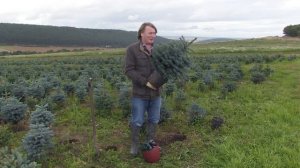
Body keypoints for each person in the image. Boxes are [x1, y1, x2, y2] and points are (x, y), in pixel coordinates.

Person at [124, 22, 165, 156]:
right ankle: (134, 144)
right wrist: (145, 82)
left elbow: (164, 68)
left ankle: (150, 141)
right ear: (142, 33)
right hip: (139, 94)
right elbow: (129, 70)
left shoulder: (159, 50)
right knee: (137, 120)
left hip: (156, 93)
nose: (153, 36)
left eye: (154, 33)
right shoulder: (132, 49)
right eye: (150, 33)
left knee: (154, 119)